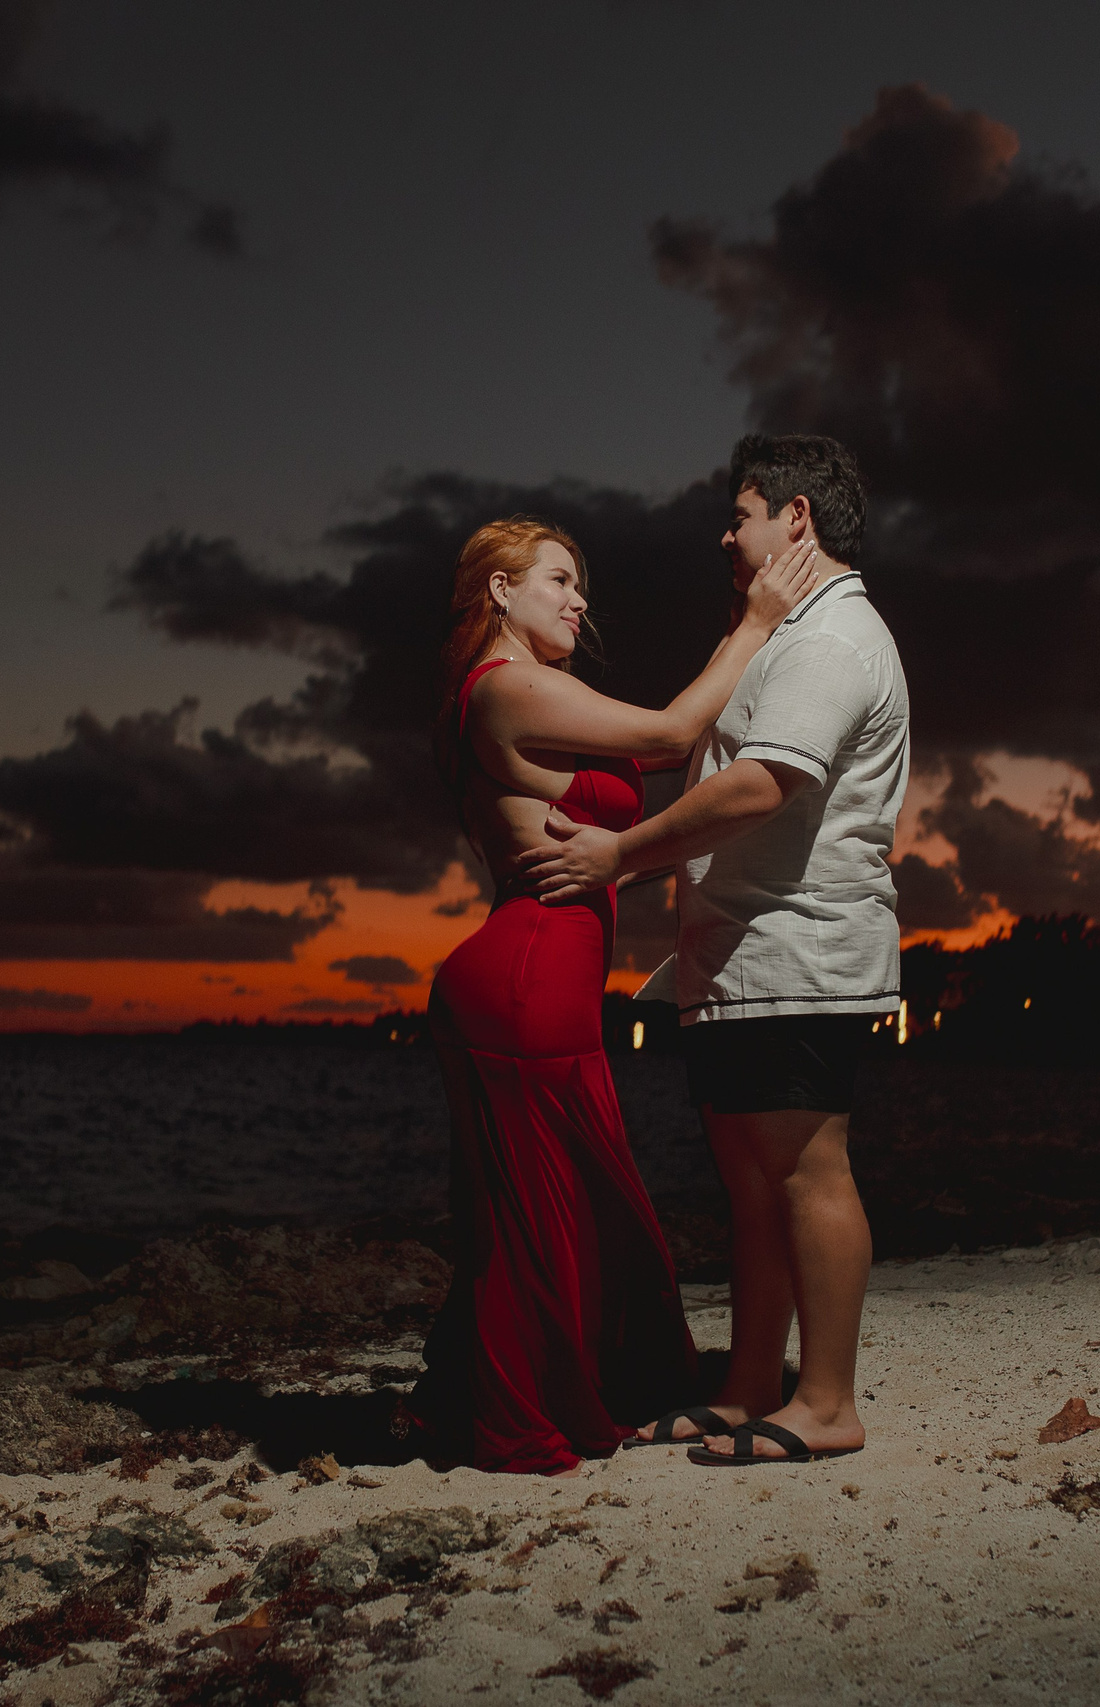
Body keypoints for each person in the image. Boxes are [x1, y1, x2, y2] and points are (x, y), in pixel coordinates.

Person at [402, 514, 814, 1476]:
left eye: (580, 583)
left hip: (547, 981)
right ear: (499, 591)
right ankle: (510, 1411)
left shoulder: (542, 690)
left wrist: (624, 861)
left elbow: (608, 829)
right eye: (557, 578)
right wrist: (756, 622)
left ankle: (491, 1392)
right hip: (521, 983)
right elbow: (673, 733)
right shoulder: (504, 690)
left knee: (561, 1210)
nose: (580, 598)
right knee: (538, 1216)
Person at [522, 434, 905, 1467]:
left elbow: (761, 784)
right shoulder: (788, 634)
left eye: (740, 514)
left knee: (805, 1171)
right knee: (749, 1181)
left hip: (799, 946)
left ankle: (825, 1401)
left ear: (797, 521)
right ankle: (747, 1385)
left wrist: (621, 856)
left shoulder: (833, 640)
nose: (724, 533)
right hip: (744, 953)